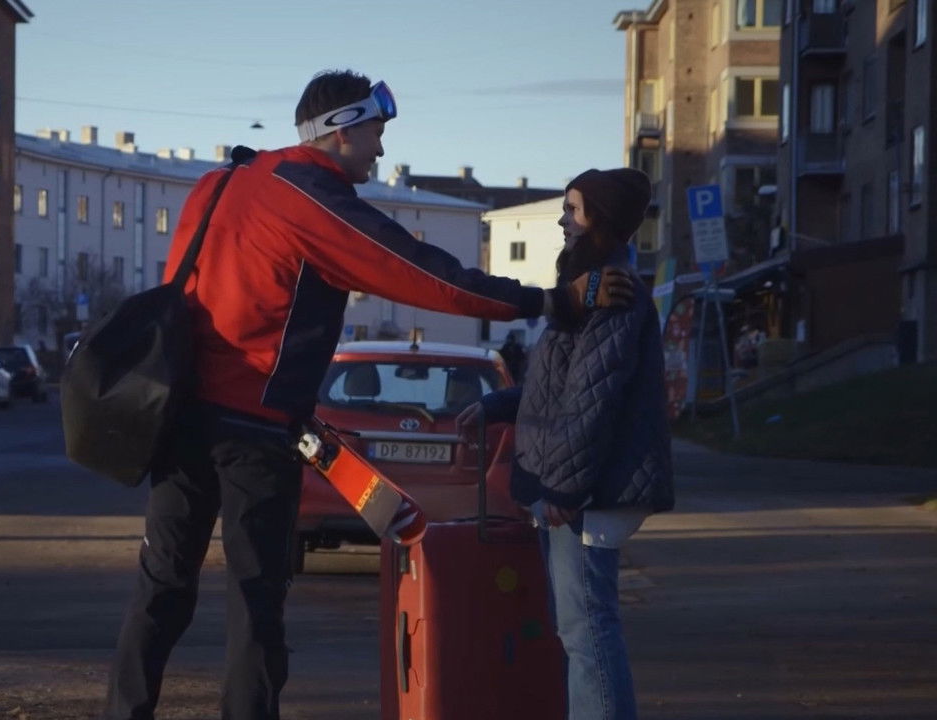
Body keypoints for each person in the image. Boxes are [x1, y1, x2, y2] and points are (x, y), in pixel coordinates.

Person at [103, 71, 636, 720]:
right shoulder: (308, 198)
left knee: (161, 587)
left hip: (180, 418)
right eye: (376, 134)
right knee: (255, 603)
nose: (380, 151)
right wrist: (549, 300)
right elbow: (416, 272)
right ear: (341, 129)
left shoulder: (220, 183)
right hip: (255, 433)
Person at [458, 168, 674, 719]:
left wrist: (563, 486)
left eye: (573, 210)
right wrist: (492, 406)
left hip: (587, 492)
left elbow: (591, 399)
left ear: (599, 220)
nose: (562, 220)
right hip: (573, 486)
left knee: (588, 629)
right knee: (576, 627)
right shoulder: (587, 287)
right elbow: (551, 387)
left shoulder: (613, 292)